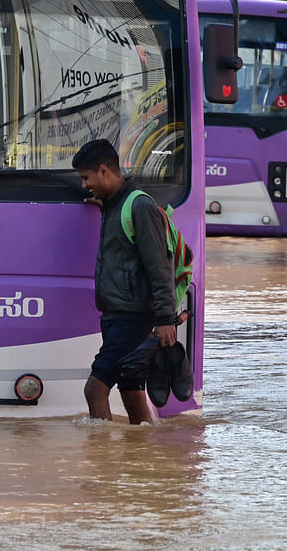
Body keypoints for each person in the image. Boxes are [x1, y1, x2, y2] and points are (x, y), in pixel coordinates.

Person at [72, 139, 179, 424]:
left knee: (95, 389)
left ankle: (102, 461)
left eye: (86, 177)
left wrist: (166, 319)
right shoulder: (115, 205)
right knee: (131, 389)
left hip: (133, 319)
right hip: (117, 315)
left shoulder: (140, 206)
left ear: (104, 171)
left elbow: (159, 267)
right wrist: (105, 206)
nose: (84, 185)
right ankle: (142, 457)